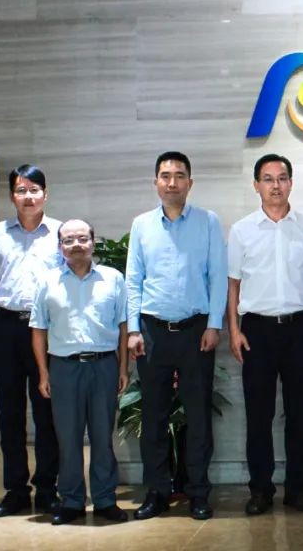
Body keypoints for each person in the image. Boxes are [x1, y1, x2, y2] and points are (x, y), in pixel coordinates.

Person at [126, 151, 228, 520]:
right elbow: (133, 280)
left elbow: (218, 276)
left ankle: (198, 492)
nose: (172, 182)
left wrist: (214, 324)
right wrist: (133, 329)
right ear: (156, 182)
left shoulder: (208, 222)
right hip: (152, 332)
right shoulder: (142, 225)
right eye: (166, 176)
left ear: (190, 182)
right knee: (153, 415)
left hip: (196, 331)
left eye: (180, 175)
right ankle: (157, 492)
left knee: (198, 416)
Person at [227, 154, 303, 515]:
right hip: (256, 331)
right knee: (259, 416)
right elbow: (233, 285)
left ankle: (297, 490)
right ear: (256, 185)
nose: (275, 185)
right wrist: (234, 330)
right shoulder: (242, 231)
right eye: (268, 179)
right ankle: (260, 490)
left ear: (291, 183)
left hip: (300, 329)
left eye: (282, 178)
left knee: (299, 414)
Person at [0, 164, 61, 517]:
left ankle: (48, 488)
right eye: (21, 190)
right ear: (12, 196)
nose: (28, 196)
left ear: (45, 194)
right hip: (6, 327)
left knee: (46, 412)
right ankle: (15, 490)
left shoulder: (59, 233)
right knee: (10, 412)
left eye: (34, 189)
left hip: (46, 330)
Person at [29, 219, 130, 525]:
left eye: (82, 239)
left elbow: (124, 325)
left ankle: (105, 499)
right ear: (60, 246)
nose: (76, 245)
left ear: (93, 242)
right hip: (64, 368)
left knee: (102, 437)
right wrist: (44, 374)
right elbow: (38, 329)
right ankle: (71, 500)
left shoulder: (113, 279)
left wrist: (123, 368)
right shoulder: (48, 281)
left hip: (104, 366)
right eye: (68, 240)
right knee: (68, 439)